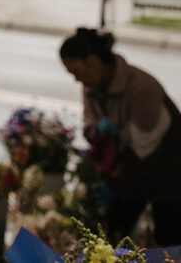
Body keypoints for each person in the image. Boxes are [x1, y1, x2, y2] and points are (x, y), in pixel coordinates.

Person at [60, 27, 181, 246]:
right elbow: (90, 128)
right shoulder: (91, 87)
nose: (76, 80)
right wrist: (99, 134)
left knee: (168, 239)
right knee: (113, 233)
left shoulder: (142, 88)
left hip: (168, 168)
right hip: (131, 169)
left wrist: (114, 181)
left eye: (76, 71)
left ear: (93, 61)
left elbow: (143, 150)